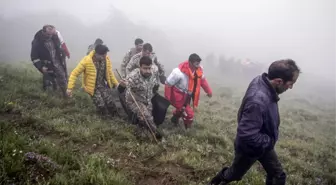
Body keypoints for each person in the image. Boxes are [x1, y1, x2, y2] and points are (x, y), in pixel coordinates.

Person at [208, 59, 301, 185]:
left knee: (278, 176)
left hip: (263, 143)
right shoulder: (258, 101)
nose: (291, 87)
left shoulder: (262, 80)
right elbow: (247, 135)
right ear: (278, 81)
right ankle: (218, 180)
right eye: (290, 83)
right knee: (234, 174)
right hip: (250, 147)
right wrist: (269, 141)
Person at [67, 44, 124, 118]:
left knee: (110, 102)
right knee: (101, 104)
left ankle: (117, 118)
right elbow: (74, 74)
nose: (104, 57)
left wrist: (117, 84)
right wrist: (69, 88)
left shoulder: (106, 60)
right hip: (92, 88)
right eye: (103, 55)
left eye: (105, 55)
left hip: (102, 85)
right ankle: (106, 119)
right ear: (97, 54)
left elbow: (110, 73)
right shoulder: (86, 60)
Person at [164, 53, 212, 129]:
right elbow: (168, 84)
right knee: (189, 114)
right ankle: (188, 131)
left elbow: (203, 81)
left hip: (188, 95)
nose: (198, 66)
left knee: (182, 109)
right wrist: (167, 98)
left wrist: (209, 91)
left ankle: (174, 119)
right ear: (190, 62)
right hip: (178, 95)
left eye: (198, 64)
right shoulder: (178, 72)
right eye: (196, 64)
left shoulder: (199, 70)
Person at [125, 56, 163, 140]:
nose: (148, 71)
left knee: (145, 119)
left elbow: (156, 83)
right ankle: (156, 134)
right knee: (146, 117)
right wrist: (122, 85)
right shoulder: (133, 76)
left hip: (147, 100)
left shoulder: (153, 71)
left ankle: (138, 133)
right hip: (134, 100)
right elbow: (124, 85)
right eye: (145, 68)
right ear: (140, 67)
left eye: (149, 68)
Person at [30, 25, 68, 97]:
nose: (49, 36)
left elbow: (59, 47)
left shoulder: (54, 37)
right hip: (47, 66)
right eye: (48, 34)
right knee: (49, 85)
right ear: (43, 32)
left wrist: (62, 52)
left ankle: (66, 97)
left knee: (63, 80)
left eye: (51, 34)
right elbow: (34, 57)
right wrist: (41, 67)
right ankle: (51, 100)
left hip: (58, 63)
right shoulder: (37, 42)